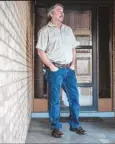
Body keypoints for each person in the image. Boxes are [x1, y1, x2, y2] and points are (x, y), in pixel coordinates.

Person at [36, 3, 86, 138]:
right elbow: (40, 51)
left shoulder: (68, 30)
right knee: (54, 100)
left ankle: (75, 125)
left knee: (74, 98)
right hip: (55, 70)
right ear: (51, 14)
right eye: (59, 10)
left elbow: (73, 48)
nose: (62, 13)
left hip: (69, 70)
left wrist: (73, 65)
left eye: (63, 11)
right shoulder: (45, 30)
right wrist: (52, 67)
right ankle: (55, 127)